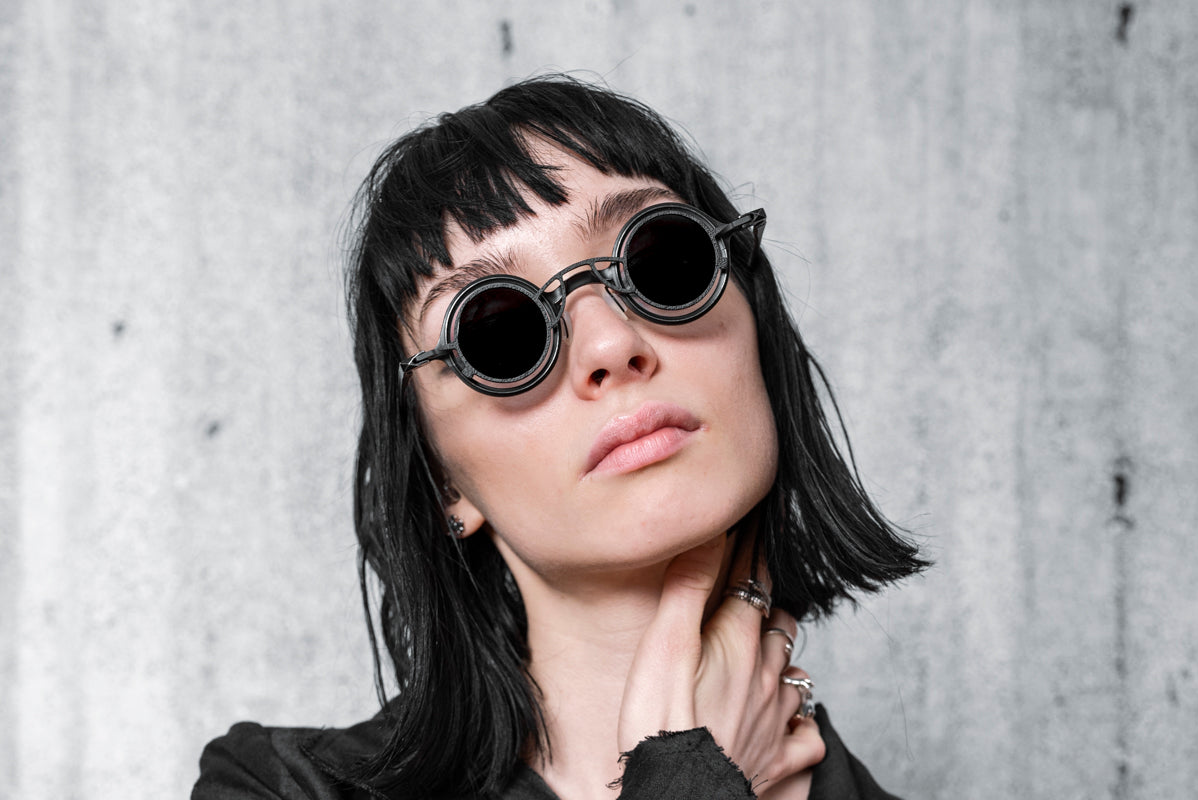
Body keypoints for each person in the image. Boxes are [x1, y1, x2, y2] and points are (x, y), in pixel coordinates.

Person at [192, 75, 927, 800]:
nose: (610, 343)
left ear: (758, 335)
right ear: (445, 480)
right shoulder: (280, 789)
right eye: (500, 333)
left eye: (661, 261)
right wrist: (689, 781)